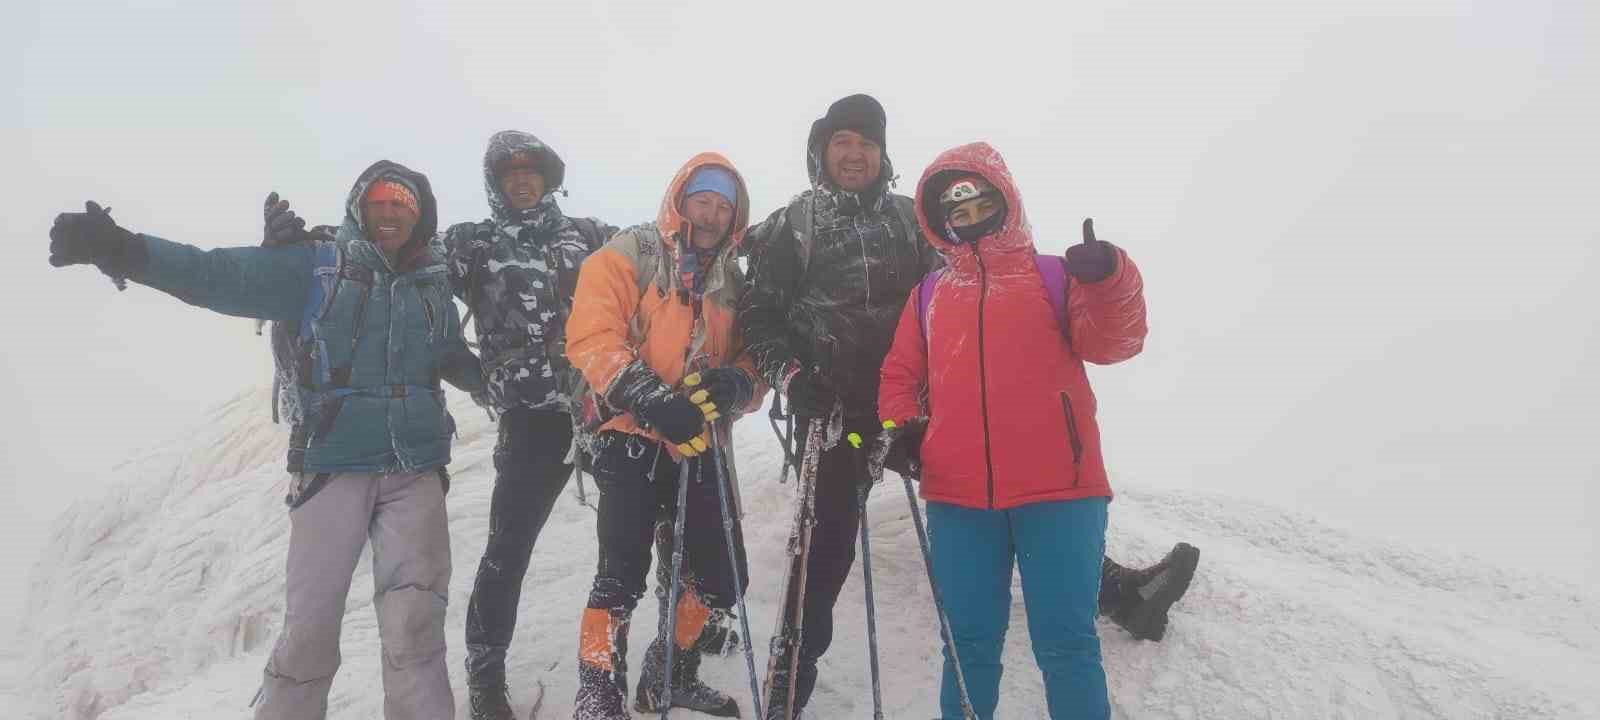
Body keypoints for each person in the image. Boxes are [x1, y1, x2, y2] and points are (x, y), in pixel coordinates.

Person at [47, 161, 483, 720]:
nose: (392, 211)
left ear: (420, 214)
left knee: (416, 625)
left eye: (404, 202)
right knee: (310, 630)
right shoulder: (317, 266)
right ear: (360, 207)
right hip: (334, 467)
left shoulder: (431, 284)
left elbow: (449, 356)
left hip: (415, 472)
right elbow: (215, 275)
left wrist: (515, 383)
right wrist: (121, 248)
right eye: (381, 201)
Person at [877, 142, 1148, 719]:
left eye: (982, 205)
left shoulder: (1054, 276)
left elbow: (1114, 343)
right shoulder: (928, 295)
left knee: (1067, 645)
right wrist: (902, 427)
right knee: (968, 645)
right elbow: (899, 374)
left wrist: (1110, 280)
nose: (972, 221)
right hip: (958, 497)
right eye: (958, 213)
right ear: (941, 221)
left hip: (1062, 491)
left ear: (1006, 202)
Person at [737, 93, 943, 716]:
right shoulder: (794, 225)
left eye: (868, 143)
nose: (856, 153)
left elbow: (952, 296)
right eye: (843, 141)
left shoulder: (914, 220)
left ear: (884, 155)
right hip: (834, 413)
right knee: (824, 544)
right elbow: (757, 316)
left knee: (1007, 481)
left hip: (911, 405)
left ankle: (1107, 585)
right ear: (822, 151)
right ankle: (790, 675)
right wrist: (791, 376)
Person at [564, 154, 765, 719]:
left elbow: (754, 362)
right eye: (704, 200)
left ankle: (668, 672)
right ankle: (598, 692)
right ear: (682, 200)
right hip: (628, 430)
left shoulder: (732, 281)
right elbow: (592, 333)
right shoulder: (633, 251)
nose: (712, 214)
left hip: (699, 441)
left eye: (725, 207)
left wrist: (737, 383)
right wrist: (652, 398)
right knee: (621, 570)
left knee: (723, 576)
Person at [441, 131, 617, 719]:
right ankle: (485, 674)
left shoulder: (590, 236)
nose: (522, 178)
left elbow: (664, 259)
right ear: (495, 180)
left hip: (600, 411)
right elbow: (401, 267)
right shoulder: (472, 243)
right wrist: (470, 373)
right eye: (509, 170)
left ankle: (686, 632)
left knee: (651, 521)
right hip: (529, 420)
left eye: (532, 168)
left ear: (549, 175)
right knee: (507, 548)